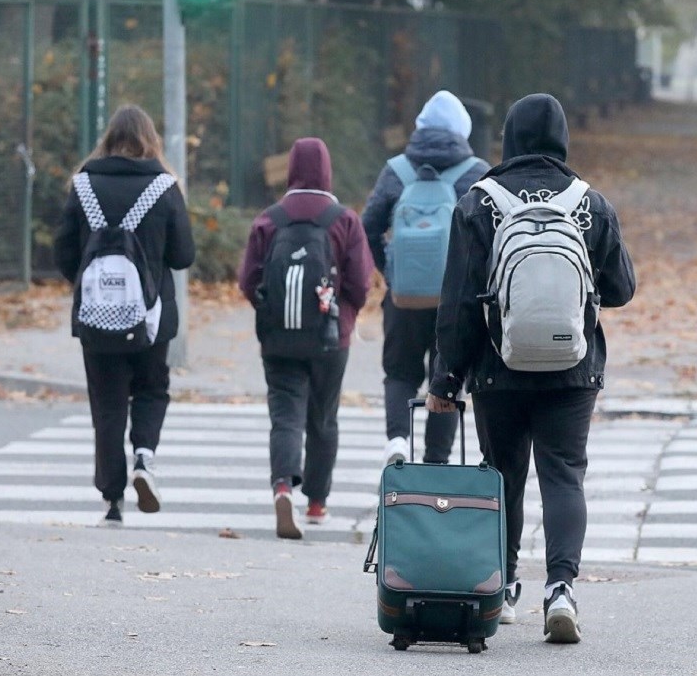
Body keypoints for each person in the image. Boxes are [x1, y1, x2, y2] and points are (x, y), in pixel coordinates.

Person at [427, 93, 636, 644]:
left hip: (499, 370)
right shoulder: (589, 203)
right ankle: (561, 589)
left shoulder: (478, 202)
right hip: (573, 368)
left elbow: (457, 304)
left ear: (510, 136)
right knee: (564, 475)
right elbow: (622, 288)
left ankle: (507, 585)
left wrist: (446, 380)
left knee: (505, 476)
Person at [53, 104, 195, 526]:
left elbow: (62, 252)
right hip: (152, 319)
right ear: (149, 140)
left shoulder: (83, 185)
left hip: (96, 320)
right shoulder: (164, 186)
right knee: (152, 389)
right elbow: (183, 256)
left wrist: (93, 286)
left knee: (108, 403)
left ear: (108, 139)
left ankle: (112, 500)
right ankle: (145, 459)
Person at [238, 137, 372, 540]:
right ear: (327, 170)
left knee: (285, 414)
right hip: (331, 336)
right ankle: (316, 501)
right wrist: (341, 313)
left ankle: (282, 486)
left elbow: (248, 279)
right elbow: (361, 285)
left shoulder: (269, 219)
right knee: (323, 417)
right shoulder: (344, 219)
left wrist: (272, 309)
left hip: (278, 337)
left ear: (292, 169)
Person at [361, 90, 490, 467]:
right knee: (448, 376)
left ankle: (398, 440)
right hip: (456, 303)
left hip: (403, 298)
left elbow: (368, 228)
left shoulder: (396, 170)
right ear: (463, 130)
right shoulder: (477, 173)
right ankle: (436, 461)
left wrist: (391, 271)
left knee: (399, 372)